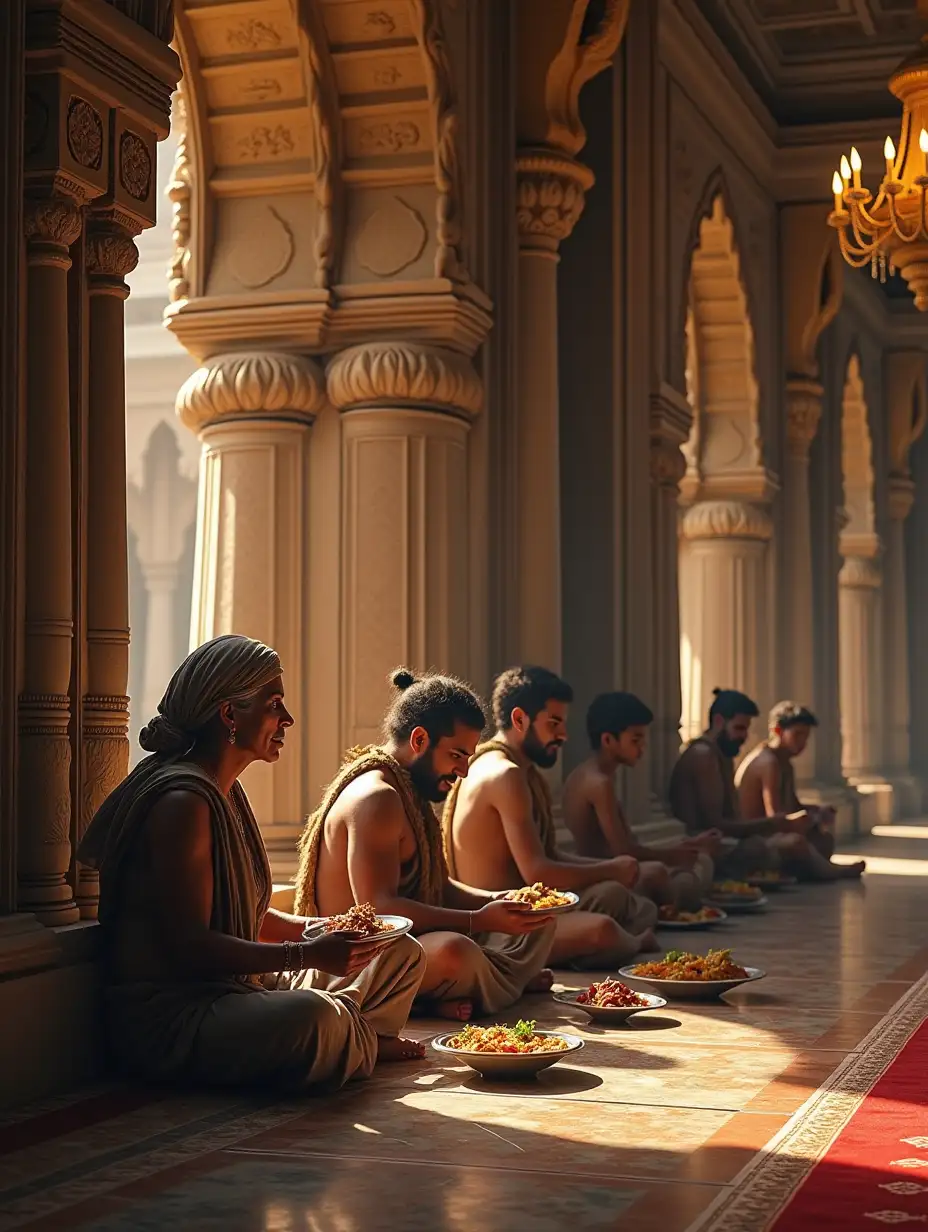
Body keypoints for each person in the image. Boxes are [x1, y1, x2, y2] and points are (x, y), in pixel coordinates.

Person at [77, 634, 427, 1093]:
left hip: (241, 989)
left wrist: (315, 931)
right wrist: (307, 955)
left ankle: (349, 1039)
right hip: (181, 1016)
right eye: (274, 704)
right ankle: (360, 1040)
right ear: (229, 714)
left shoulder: (226, 790)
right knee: (316, 1016)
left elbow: (242, 912)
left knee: (400, 954)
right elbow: (190, 947)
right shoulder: (181, 802)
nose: (287, 719)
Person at [294, 670, 555, 1023]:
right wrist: (476, 920)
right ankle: (452, 996)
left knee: (540, 921)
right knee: (455, 951)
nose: (463, 771)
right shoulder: (377, 797)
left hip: (402, 951)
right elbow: (381, 910)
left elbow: (439, 888)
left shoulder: (409, 793)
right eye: (457, 755)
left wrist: (499, 901)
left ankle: (457, 993)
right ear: (419, 740)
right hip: (355, 965)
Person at [441, 666, 659, 970]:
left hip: (530, 909)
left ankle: (583, 947)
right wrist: (609, 868)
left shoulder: (521, 771)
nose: (563, 735)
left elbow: (548, 855)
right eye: (554, 723)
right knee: (604, 930)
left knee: (620, 897)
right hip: (499, 930)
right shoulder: (505, 774)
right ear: (520, 720)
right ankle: (633, 943)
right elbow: (537, 872)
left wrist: (610, 869)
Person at [563, 691, 719, 910]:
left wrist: (686, 847)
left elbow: (629, 847)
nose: (642, 747)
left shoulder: (592, 775)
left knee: (697, 862)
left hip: (621, 870)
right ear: (608, 740)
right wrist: (676, 856)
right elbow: (623, 852)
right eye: (635, 739)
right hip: (605, 876)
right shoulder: (598, 783)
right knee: (681, 873)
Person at [668, 687, 811, 876]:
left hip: (724, 840)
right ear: (719, 721)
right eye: (739, 728)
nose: (744, 736)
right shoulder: (703, 755)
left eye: (746, 729)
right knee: (763, 848)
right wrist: (772, 824)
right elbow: (714, 824)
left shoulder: (721, 755)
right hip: (701, 842)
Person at [736, 700, 865, 880]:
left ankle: (803, 870)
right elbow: (775, 819)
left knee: (824, 840)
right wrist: (801, 820)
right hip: (755, 838)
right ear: (777, 731)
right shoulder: (768, 763)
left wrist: (817, 812)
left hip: (772, 832)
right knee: (796, 843)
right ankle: (832, 872)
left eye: (806, 736)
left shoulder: (785, 763)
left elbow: (793, 805)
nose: (802, 742)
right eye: (797, 735)